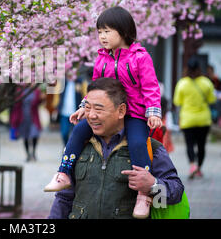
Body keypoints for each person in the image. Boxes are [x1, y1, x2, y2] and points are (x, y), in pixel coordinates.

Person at [44, 6, 163, 219]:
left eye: (107, 31)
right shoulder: (101, 59)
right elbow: (95, 88)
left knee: (137, 143)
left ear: (124, 31)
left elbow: (150, 86)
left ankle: (143, 194)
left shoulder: (140, 58)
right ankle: (64, 173)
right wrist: (84, 107)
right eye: (100, 32)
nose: (102, 36)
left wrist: (153, 112)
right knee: (79, 132)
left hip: (134, 113)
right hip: (107, 114)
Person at [48, 78, 184, 219]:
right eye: (87, 108)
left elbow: (176, 192)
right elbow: (64, 198)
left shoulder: (148, 148)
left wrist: (153, 185)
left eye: (99, 109)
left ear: (121, 111)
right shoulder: (79, 147)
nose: (91, 115)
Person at [173, 56, 216, 179]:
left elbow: (177, 102)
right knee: (201, 146)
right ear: (199, 68)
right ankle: (199, 168)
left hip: (187, 119)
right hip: (203, 119)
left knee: (189, 144)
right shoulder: (206, 83)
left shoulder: (182, 83)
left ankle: (192, 165)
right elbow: (211, 100)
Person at [10, 87, 43, 162]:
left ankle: (33, 152)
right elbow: (16, 104)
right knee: (25, 136)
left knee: (35, 134)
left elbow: (39, 102)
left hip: (33, 117)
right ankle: (28, 154)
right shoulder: (20, 90)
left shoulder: (36, 90)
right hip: (23, 117)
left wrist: (41, 98)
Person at [57, 77, 83, 146]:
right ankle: (66, 147)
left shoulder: (79, 81)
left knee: (76, 133)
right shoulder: (63, 82)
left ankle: (72, 148)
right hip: (64, 113)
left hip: (76, 113)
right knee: (64, 133)